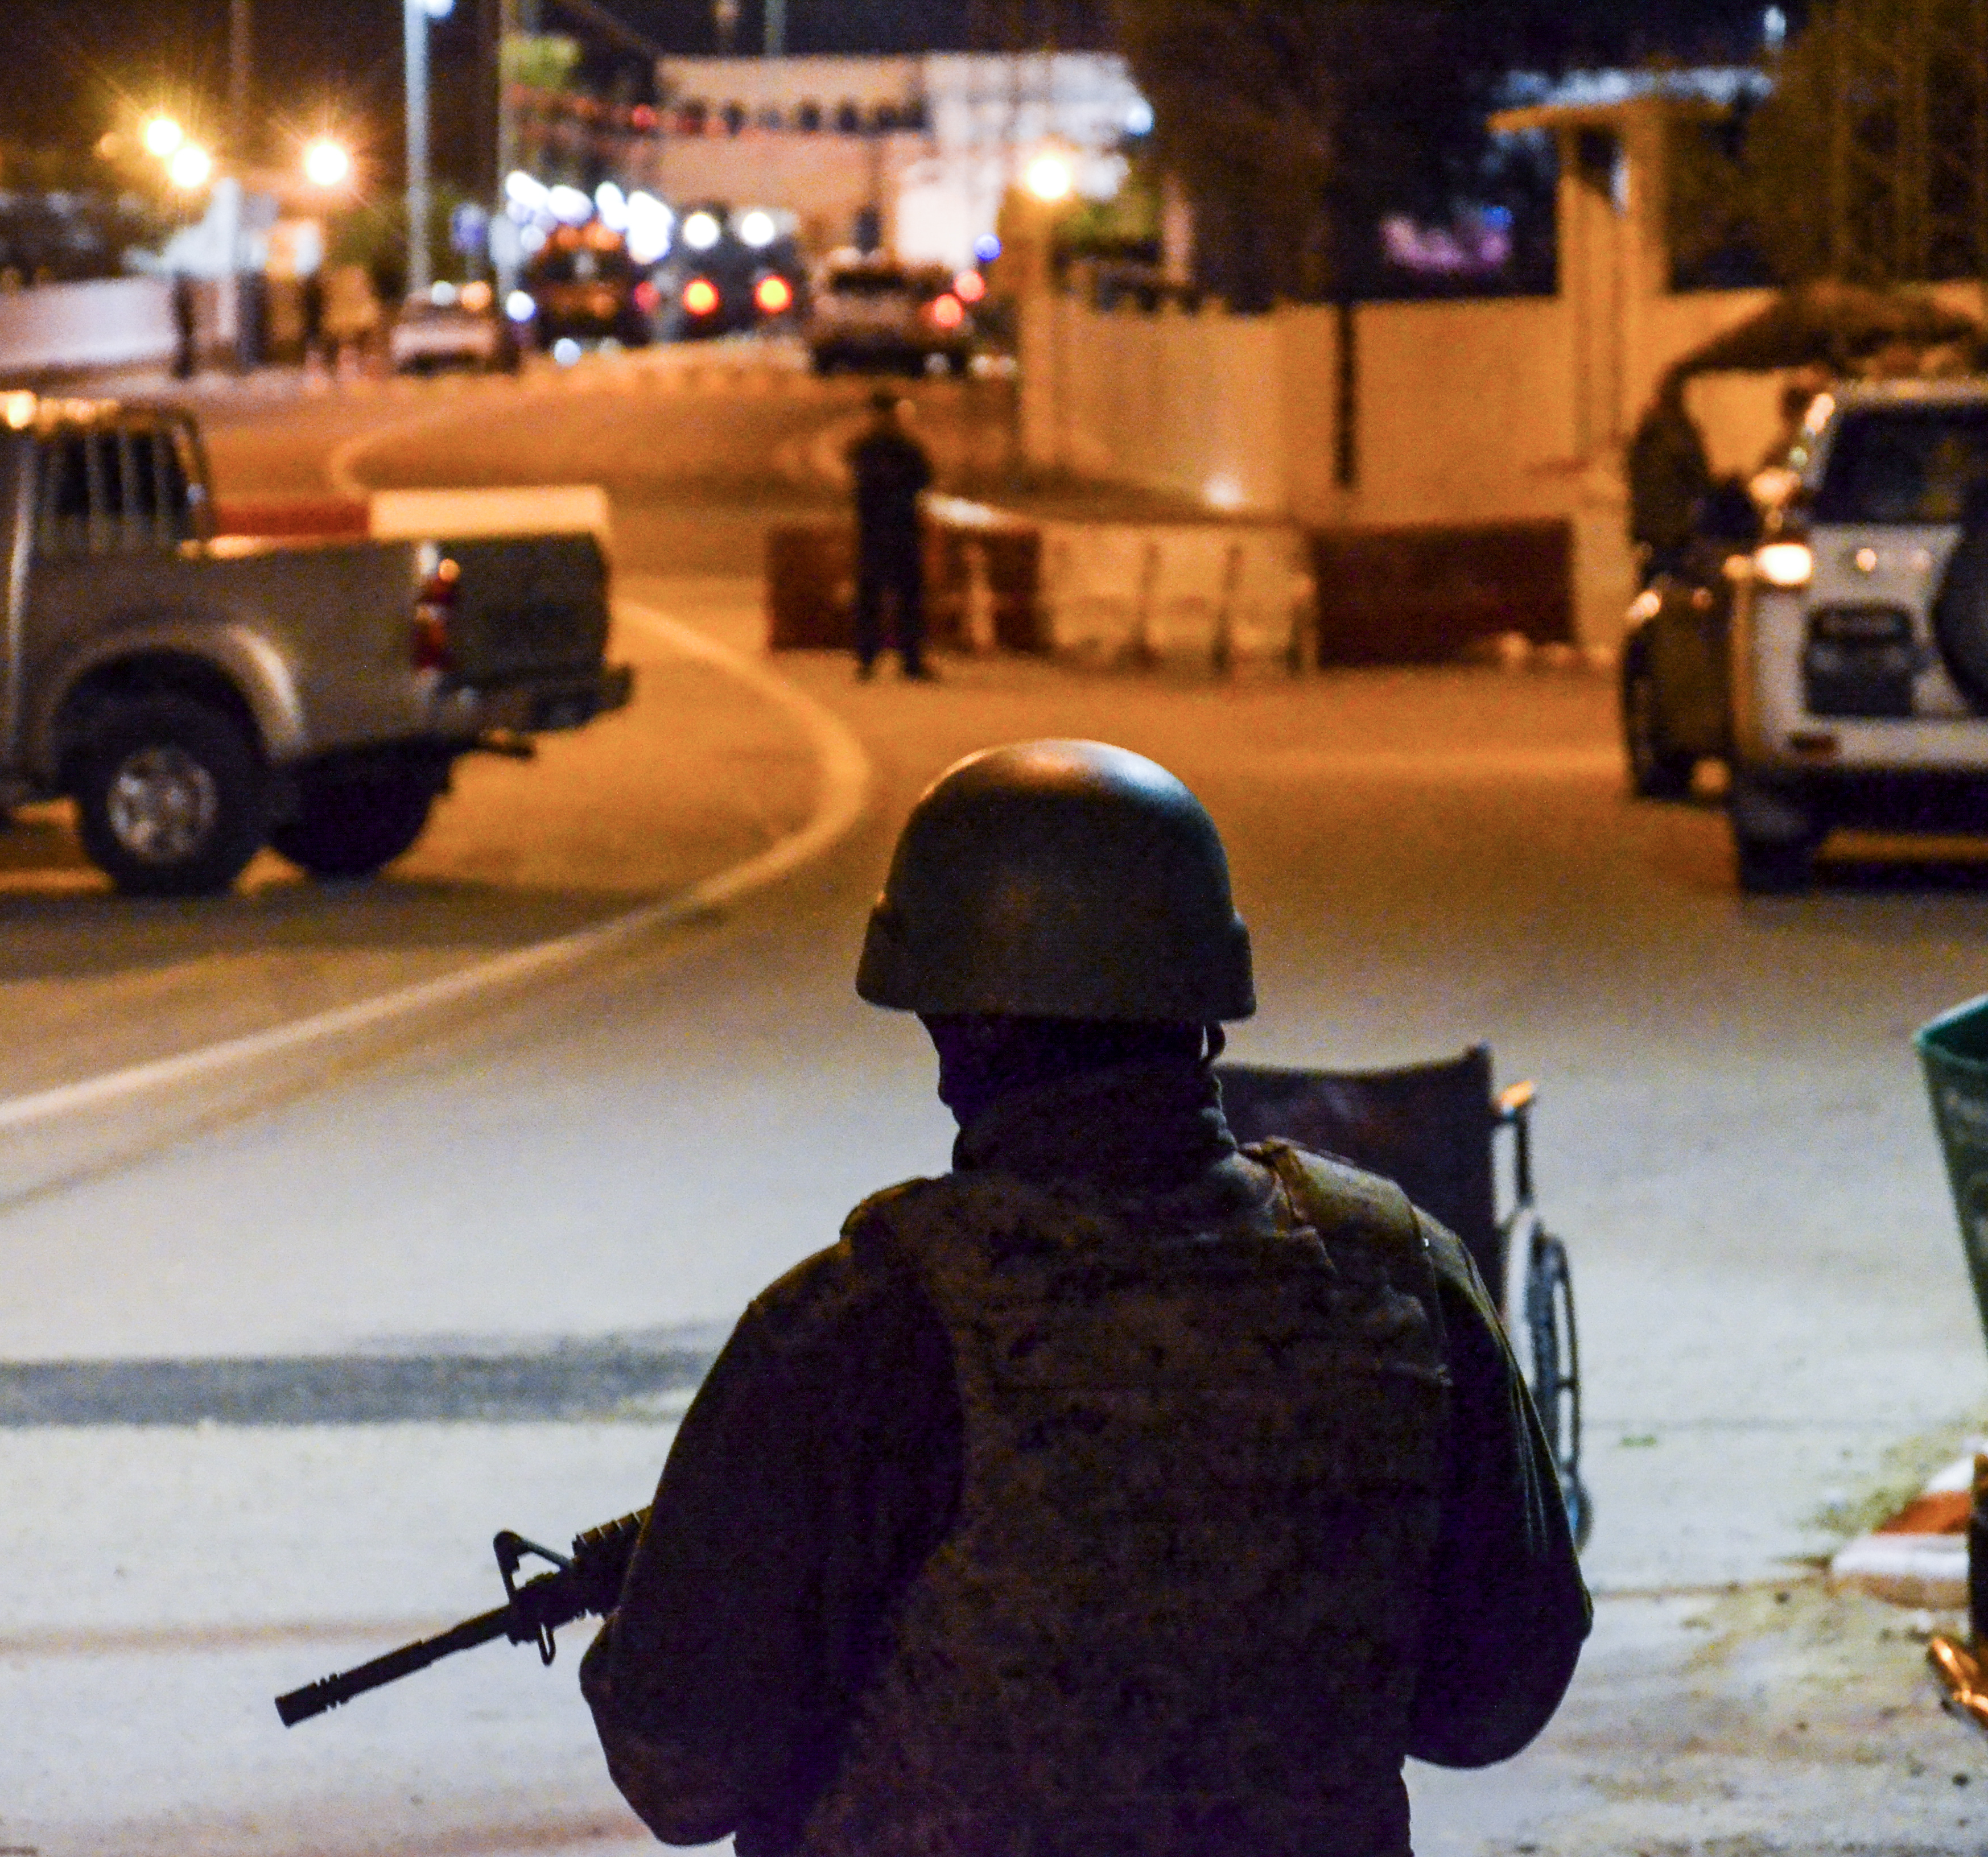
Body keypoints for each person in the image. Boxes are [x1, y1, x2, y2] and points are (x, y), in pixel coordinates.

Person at [580, 740, 1590, 1857]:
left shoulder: (858, 1328)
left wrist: (679, 1598)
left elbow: (680, 1768)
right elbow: (1495, 1696)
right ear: (1204, 1007)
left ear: (956, 1027)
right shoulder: (1398, 1271)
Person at [848, 387, 934, 682]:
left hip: (897, 533)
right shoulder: (871, 450)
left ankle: (907, 660)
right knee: (875, 598)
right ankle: (872, 658)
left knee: (906, 598)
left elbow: (923, 479)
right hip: (882, 533)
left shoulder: (898, 449)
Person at [1626, 370, 1711, 588]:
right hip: (1674, 528)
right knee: (1677, 581)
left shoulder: (1648, 431)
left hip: (1655, 526)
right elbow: (1700, 475)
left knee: (1654, 582)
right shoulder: (1681, 432)